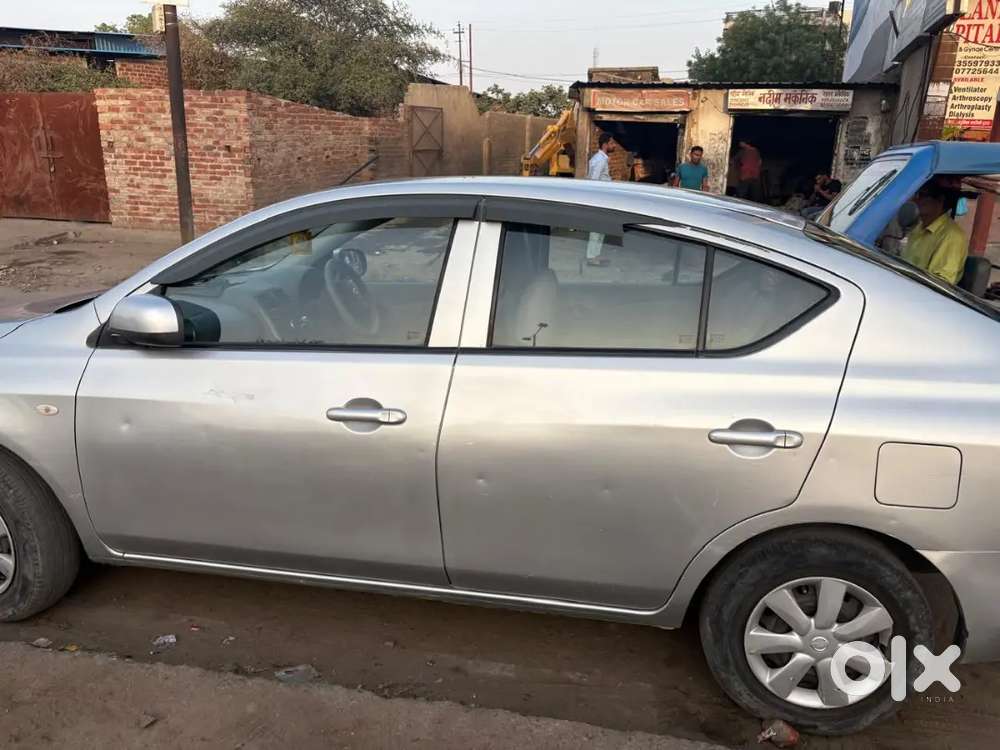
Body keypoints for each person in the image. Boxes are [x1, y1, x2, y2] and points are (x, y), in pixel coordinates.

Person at [901, 179, 968, 285]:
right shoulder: (918, 227)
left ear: (940, 200)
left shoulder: (952, 236)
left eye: (921, 195)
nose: (914, 200)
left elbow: (939, 283)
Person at [585, 132, 615, 265]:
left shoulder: (597, 158)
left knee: (601, 228)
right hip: (599, 198)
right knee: (597, 229)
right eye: (611, 143)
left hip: (601, 197)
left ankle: (595, 255)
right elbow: (594, 181)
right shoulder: (601, 160)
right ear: (605, 144)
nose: (613, 146)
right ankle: (591, 257)